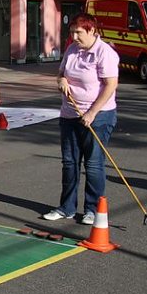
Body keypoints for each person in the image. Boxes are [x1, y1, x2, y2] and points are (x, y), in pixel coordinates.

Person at [42, 13, 119, 226]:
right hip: (70, 114)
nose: (75, 36)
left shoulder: (105, 53)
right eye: (72, 32)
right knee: (69, 163)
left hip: (99, 116)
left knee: (93, 164)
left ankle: (92, 210)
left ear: (92, 31)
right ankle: (66, 207)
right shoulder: (72, 50)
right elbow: (60, 73)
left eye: (79, 32)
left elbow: (110, 85)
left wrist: (92, 113)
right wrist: (62, 81)